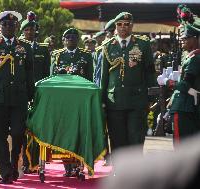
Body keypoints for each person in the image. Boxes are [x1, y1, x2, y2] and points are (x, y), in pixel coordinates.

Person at [0, 11, 35, 184]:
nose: (8, 27)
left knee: (18, 133)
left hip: (19, 98)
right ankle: (5, 172)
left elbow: (29, 73)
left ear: (17, 26)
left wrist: (31, 96)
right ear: (1, 26)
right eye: (5, 25)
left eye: (12, 25)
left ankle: (13, 165)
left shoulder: (24, 47)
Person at [100, 12, 156, 154]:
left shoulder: (142, 45)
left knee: (135, 138)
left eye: (127, 24)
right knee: (117, 139)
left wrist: (151, 98)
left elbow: (150, 72)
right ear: (115, 26)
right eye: (119, 24)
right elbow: (104, 76)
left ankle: (135, 173)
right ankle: (119, 172)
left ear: (132, 26)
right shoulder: (107, 46)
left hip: (136, 101)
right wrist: (102, 100)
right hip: (115, 101)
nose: (123, 27)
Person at [50, 28, 93, 177]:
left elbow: (90, 81)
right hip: (62, 102)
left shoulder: (86, 56)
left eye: (74, 37)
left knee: (78, 133)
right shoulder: (56, 55)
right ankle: (67, 165)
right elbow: (51, 80)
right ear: (63, 40)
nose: (70, 39)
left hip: (79, 102)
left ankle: (77, 164)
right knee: (63, 133)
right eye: (67, 37)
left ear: (78, 39)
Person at [157, 23, 200, 144]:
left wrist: (167, 81)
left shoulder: (194, 59)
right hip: (189, 104)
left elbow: (185, 85)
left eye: (185, 38)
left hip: (185, 106)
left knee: (181, 144)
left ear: (195, 39)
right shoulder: (192, 57)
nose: (183, 41)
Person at [20, 12, 51, 174]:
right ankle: (24, 161)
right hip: (21, 94)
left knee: (37, 129)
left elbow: (47, 75)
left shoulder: (43, 50)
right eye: (27, 30)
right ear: (23, 31)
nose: (30, 33)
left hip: (38, 95)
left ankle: (36, 162)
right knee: (22, 128)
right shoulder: (17, 47)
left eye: (32, 30)